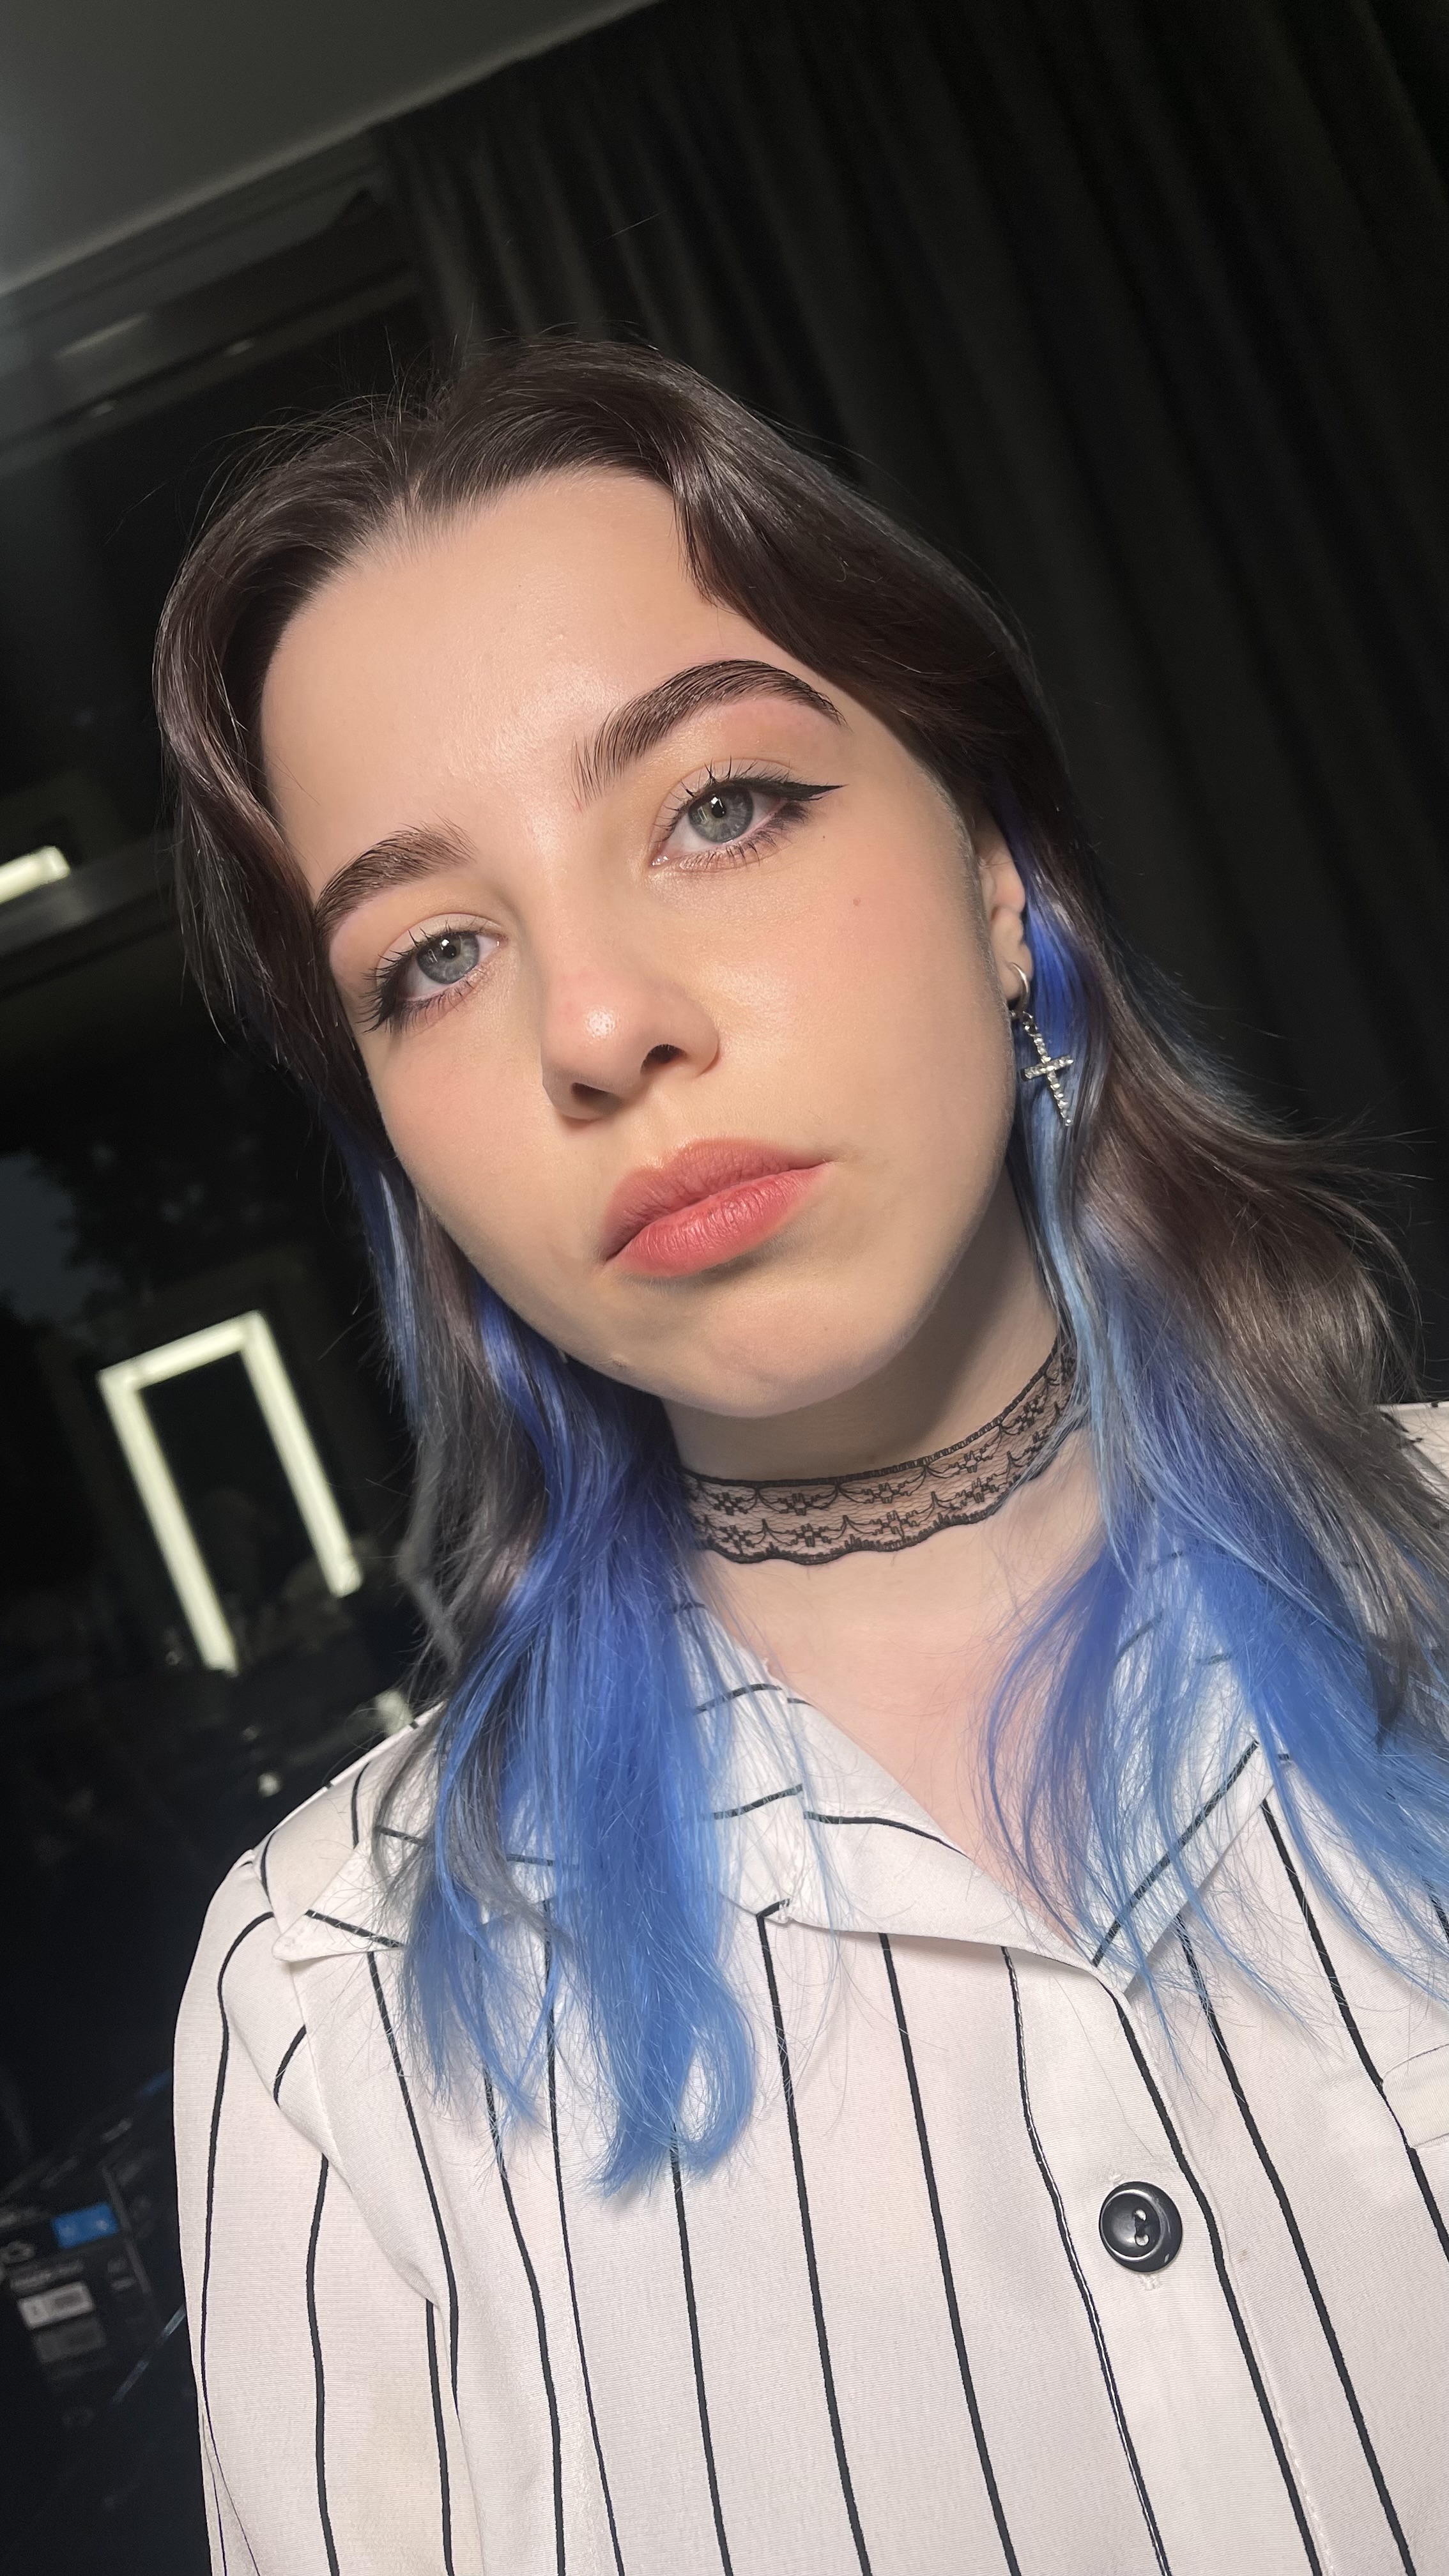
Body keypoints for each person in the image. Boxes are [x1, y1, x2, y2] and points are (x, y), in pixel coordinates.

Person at [158, 340, 1449, 2576]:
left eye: (720, 808)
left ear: (998, 879)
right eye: (433, 956)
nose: (594, 1024)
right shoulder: (327, 2001)